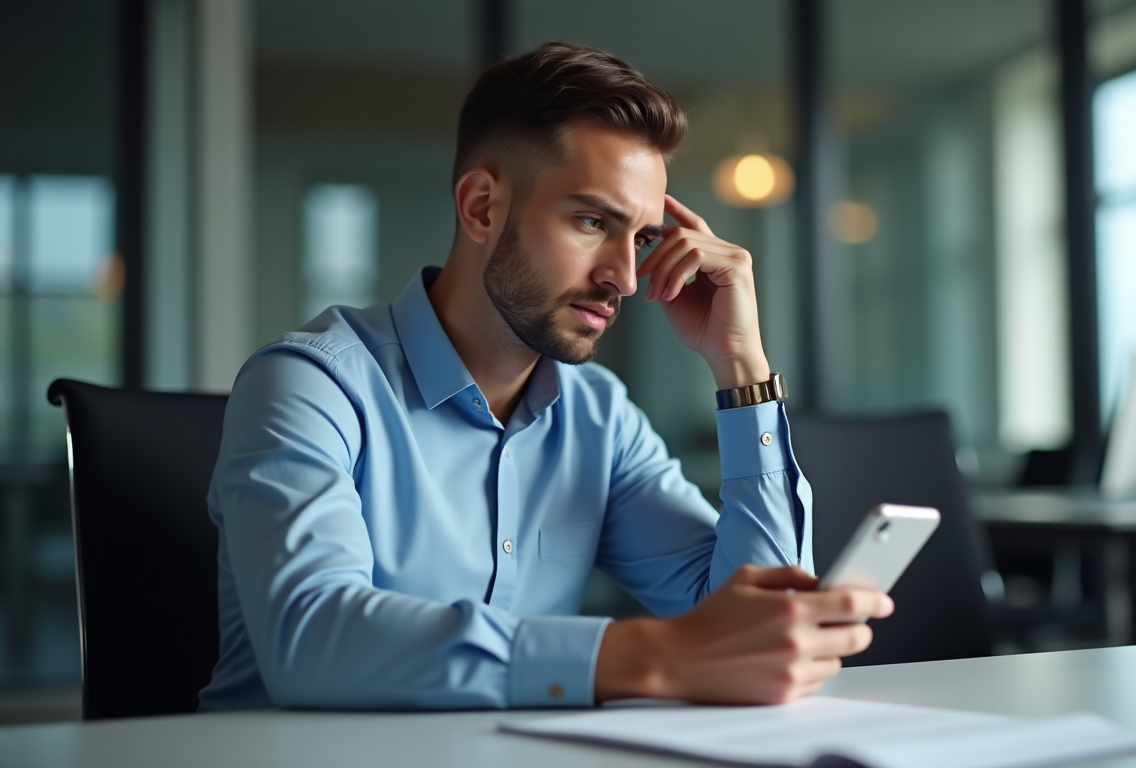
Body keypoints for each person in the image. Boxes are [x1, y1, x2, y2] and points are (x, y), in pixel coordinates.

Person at [198, 41, 892, 713]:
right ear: (481, 208)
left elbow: (756, 624)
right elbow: (311, 639)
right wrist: (649, 656)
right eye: (593, 220)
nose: (624, 275)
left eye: (643, 238)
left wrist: (741, 368)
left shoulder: (600, 416)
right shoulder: (309, 385)